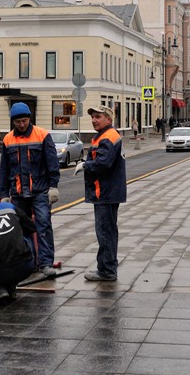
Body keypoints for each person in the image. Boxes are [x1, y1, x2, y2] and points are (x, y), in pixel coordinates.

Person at [0, 102, 61, 277]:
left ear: (29, 119)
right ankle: (30, 262)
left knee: (43, 225)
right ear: (13, 122)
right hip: (18, 194)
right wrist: (4, 194)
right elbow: (4, 170)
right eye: (18, 122)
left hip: (40, 191)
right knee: (23, 229)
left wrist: (53, 186)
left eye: (24, 121)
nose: (21, 125)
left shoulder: (42, 135)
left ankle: (46, 263)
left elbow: (52, 163)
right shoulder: (8, 139)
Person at [76, 105, 126, 281]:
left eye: (98, 117)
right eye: (93, 117)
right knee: (108, 231)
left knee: (105, 232)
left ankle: (106, 271)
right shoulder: (105, 135)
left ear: (108, 119)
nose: (94, 120)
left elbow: (103, 163)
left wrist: (85, 165)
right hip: (107, 191)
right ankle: (107, 267)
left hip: (104, 192)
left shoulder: (108, 137)